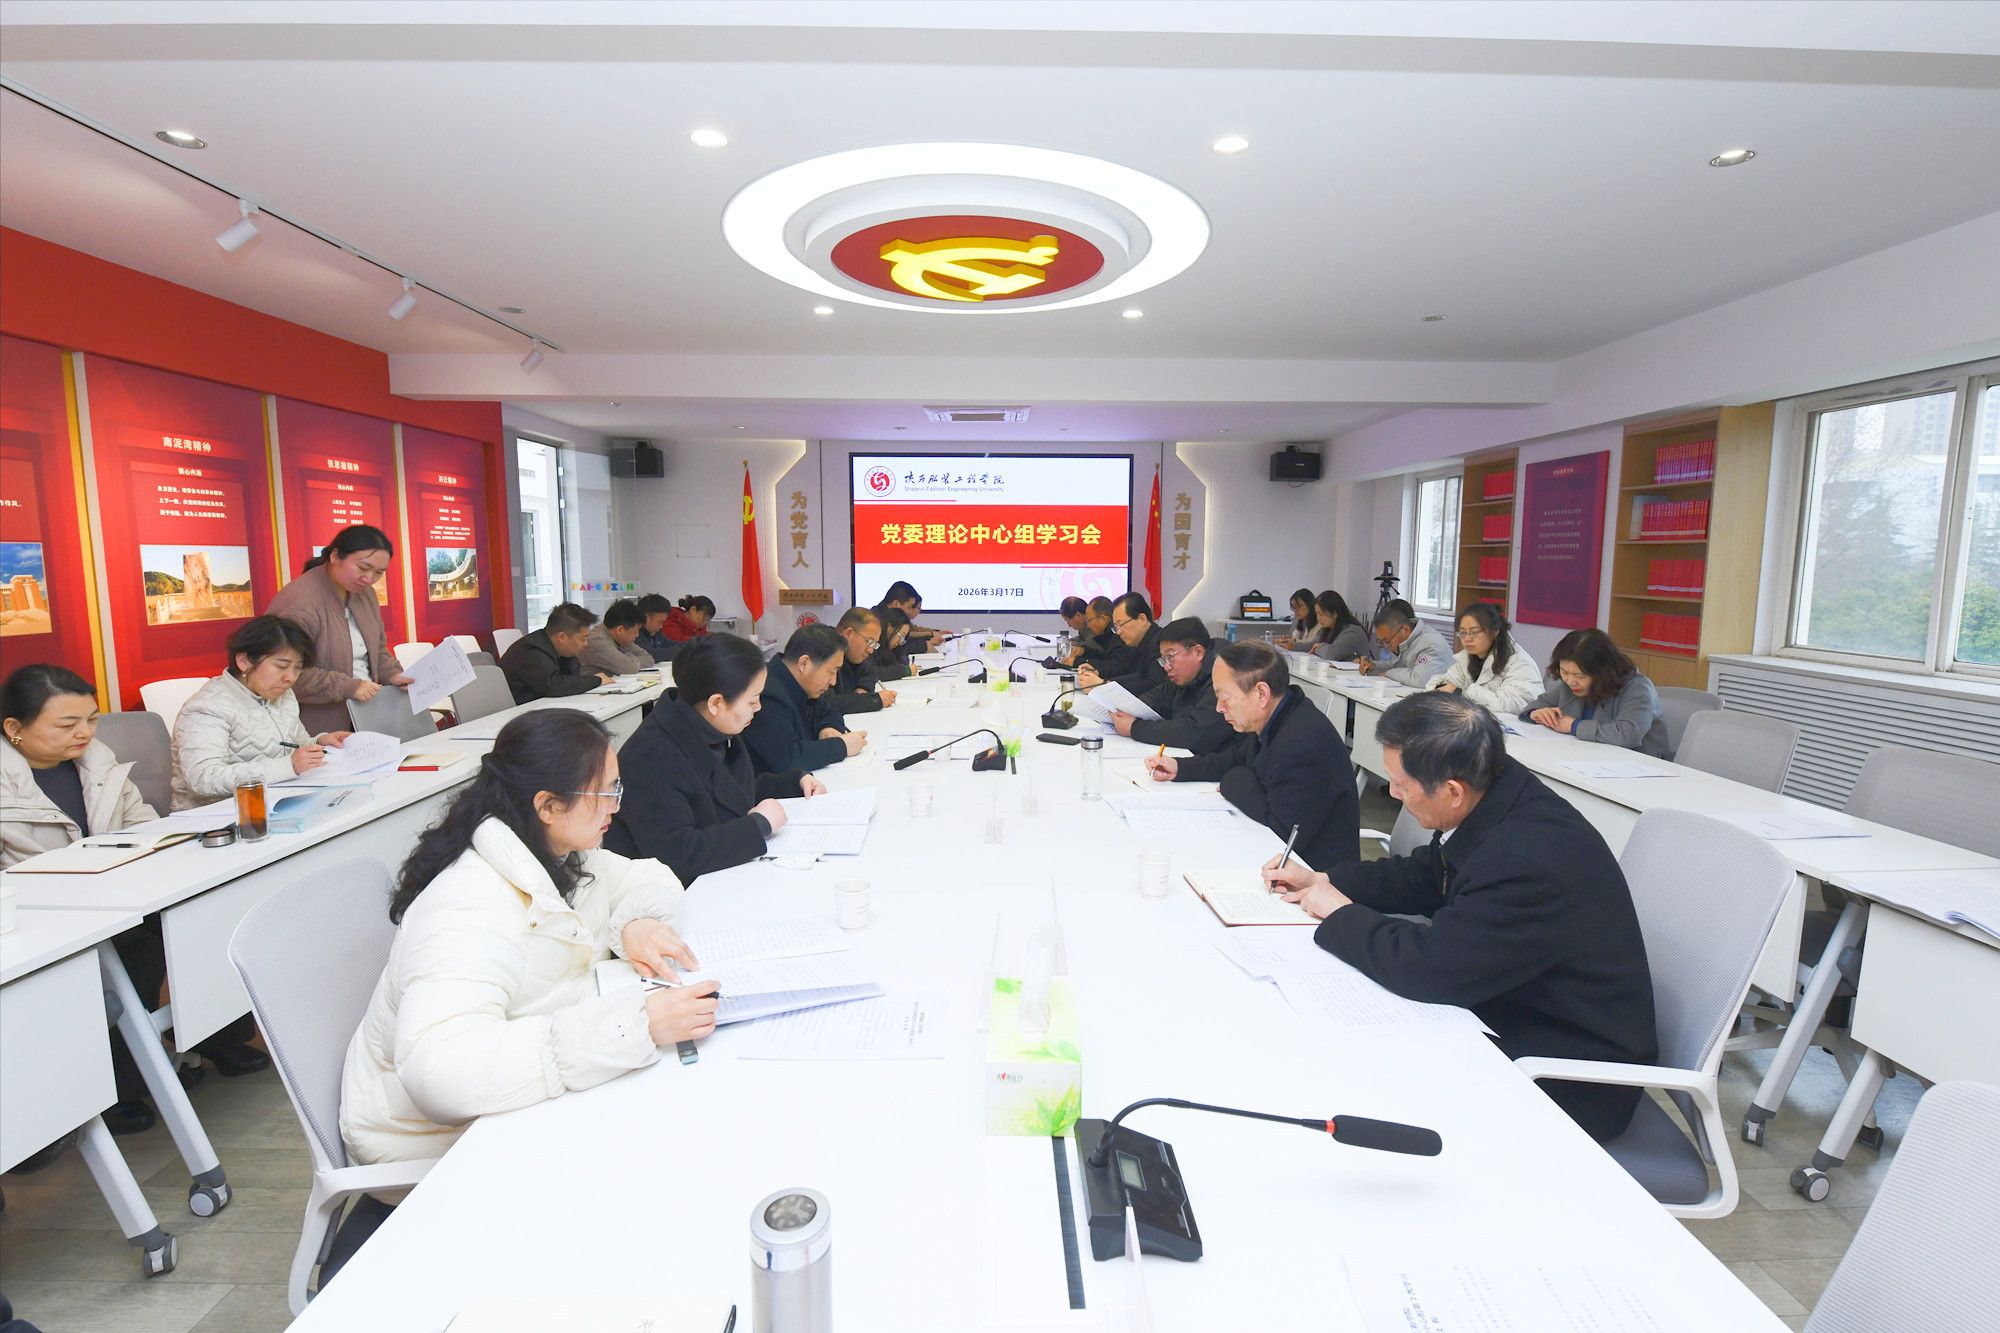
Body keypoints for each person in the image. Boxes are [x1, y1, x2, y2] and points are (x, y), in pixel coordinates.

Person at [337, 709, 714, 1263]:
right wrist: (634, 1026)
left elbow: (649, 875)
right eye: (605, 792)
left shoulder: (556, 851)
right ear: (548, 805)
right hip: (429, 1140)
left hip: (509, 1100)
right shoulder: (467, 907)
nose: (617, 806)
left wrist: (634, 922)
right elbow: (443, 1072)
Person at [1262, 692, 1658, 1142]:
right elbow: (1430, 874)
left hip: (1570, 1074)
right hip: (1514, 1006)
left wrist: (1339, 911)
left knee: (1362, 1069)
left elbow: (1431, 969)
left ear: (1452, 791)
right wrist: (1325, 879)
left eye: (1401, 784)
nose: (1392, 793)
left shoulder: (1526, 858)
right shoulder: (1495, 790)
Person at [3, 665, 267, 1134]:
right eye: (67, 724)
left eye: (91, 719)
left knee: (206, 912)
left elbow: (142, 824)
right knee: (136, 947)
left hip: (120, 890)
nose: (85, 733)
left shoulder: (97, 760)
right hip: (44, 917)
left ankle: (212, 1035)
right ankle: (124, 1083)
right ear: (14, 728)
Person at [606, 634, 827, 882]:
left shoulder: (712, 727)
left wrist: (793, 782)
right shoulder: (651, 758)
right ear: (716, 703)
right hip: (667, 891)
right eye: (752, 701)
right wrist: (757, 826)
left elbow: (731, 792)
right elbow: (679, 856)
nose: (758, 708)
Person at [1144, 641, 1358, 869]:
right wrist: (1180, 768)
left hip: (1312, 873)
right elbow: (1237, 758)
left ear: (1261, 694)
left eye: (1225, 697)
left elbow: (1279, 831)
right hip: (1273, 855)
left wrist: (1233, 781)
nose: (1219, 708)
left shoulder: (1301, 743)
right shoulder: (1278, 714)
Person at [171, 615, 353, 809]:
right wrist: (289, 766)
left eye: (297, 668)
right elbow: (204, 778)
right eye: (281, 666)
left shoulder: (283, 695)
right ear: (244, 661)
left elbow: (293, 744)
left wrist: (319, 742)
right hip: (217, 816)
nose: (290, 677)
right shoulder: (207, 707)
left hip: (276, 802)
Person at [264, 524, 414, 735]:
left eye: (379, 572)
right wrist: (348, 686)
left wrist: (392, 674)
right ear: (335, 556)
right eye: (362, 568)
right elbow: (281, 672)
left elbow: (377, 650)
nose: (369, 579)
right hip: (318, 726)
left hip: (367, 713)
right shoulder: (300, 602)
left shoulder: (365, 594)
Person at [1518, 628, 1670, 756]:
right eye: (1564, 672)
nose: (1570, 681)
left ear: (1603, 672)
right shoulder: (1570, 684)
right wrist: (1536, 713)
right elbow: (1538, 703)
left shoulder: (1637, 688)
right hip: (1586, 758)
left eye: (1579, 675)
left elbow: (1628, 734)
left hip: (1637, 767)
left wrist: (1573, 726)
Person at [742, 624, 866, 773]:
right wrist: (842, 746)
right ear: (804, 664)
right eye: (831, 672)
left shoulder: (800, 683)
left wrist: (827, 728)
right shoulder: (767, 695)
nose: (833, 681)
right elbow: (788, 758)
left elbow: (830, 711)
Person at [1106, 617, 1232, 754]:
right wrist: (1126, 709)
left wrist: (1134, 728)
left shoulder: (1225, 678)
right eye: (1163, 660)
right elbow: (1157, 697)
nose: (1166, 666)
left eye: (1170, 657)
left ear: (1198, 652)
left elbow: (1196, 732)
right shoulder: (1185, 677)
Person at [1432, 603, 1542, 714]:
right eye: (1463, 633)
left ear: (1495, 631)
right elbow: (1442, 682)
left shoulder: (1519, 662)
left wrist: (1461, 693)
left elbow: (1514, 705)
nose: (1467, 639)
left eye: (1474, 632)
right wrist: (1441, 688)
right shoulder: (1468, 657)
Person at [499, 603, 612, 704]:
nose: (586, 643)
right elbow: (554, 685)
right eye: (583, 639)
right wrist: (596, 680)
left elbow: (570, 679)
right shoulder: (531, 650)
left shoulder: (565, 652)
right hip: (517, 712)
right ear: (561, 637)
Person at [1078, 592, 1165, 696]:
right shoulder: (1138, 642)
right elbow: (1133, 674)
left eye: (1121, 624)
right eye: (1116, 627)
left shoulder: (1161, 643)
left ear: (1142, 619)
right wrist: (1099, 674)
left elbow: (1153, 684)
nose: (1118, 632)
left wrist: (1103, 685)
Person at [1358, 599, 1450, 686]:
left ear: (1405, 630)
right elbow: (1395, 665)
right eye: (1381, 642)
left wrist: (1389, 673)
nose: (1386, 646)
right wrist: (1374, 667)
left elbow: (1421, 680)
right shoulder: (1403, 639)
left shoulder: (1431, 643)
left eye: (1387, 641)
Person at [824, 608, 897, 717]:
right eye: (869, 641)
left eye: (874, 644)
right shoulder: (824, 650)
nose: (870, 650)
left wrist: (863, 688)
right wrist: (872, 700)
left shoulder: (853, 654)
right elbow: (826, 703)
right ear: (848, 633)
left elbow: (869, 672)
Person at [577, 599, 654, 678]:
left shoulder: (621, 639)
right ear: (620, 630)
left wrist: (627, 659)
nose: (637, 635)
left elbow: (649, 658)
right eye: (635, 631)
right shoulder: (596, 641)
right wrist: (628, 660)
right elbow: (629, 668)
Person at [1303, 590, 1371, 662]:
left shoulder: (1353, 632)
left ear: (1335, 613)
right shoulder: (1328, 629)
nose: (1318, 618)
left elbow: (1331, 654)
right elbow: (1313, 645)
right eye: (1317, 614)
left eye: (1321, 614)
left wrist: (1318, 648)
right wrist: (1294, 645)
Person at [868, 607, 914, 680]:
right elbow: (870, 672)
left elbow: (900, 660)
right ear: (889, 626)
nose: (900, 642)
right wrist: (904, 671)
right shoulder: (872, 642)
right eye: (901, 635)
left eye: (903, 638)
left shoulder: (888, 647)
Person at [633, 593, 678, 663]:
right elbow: (651, 654)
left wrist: (690, 645)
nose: (661, 626)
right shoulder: (633, 633)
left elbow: (669, 644)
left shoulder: (656, 632)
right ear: (645, 618)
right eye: (660, 622)